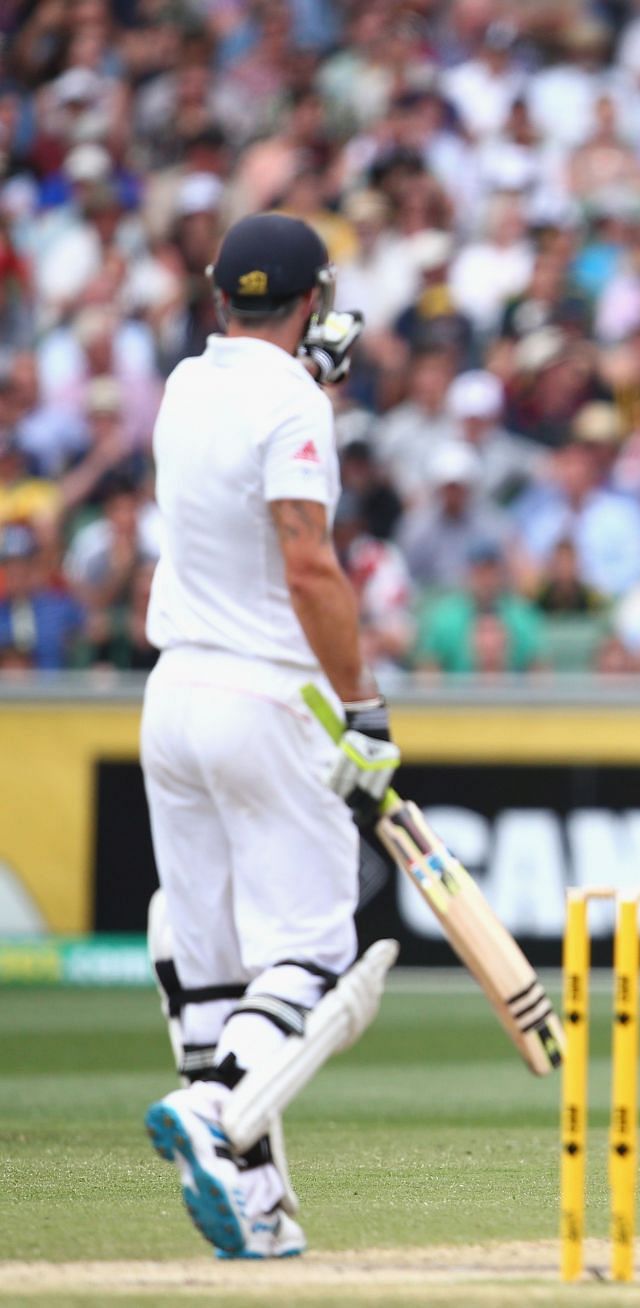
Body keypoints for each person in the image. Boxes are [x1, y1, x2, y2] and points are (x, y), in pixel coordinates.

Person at [138, 213, 399, 1259]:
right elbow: (306, 563)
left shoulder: (183, 383)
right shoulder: (290, 400)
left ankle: (247, 1202)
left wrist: (301, 378)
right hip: (266, 697)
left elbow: (238, 438)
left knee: (212, 973)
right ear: (314, 300)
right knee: (314, 957)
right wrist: (365, 706)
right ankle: (214, 1116)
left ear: (217, 298)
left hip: (173, 696)